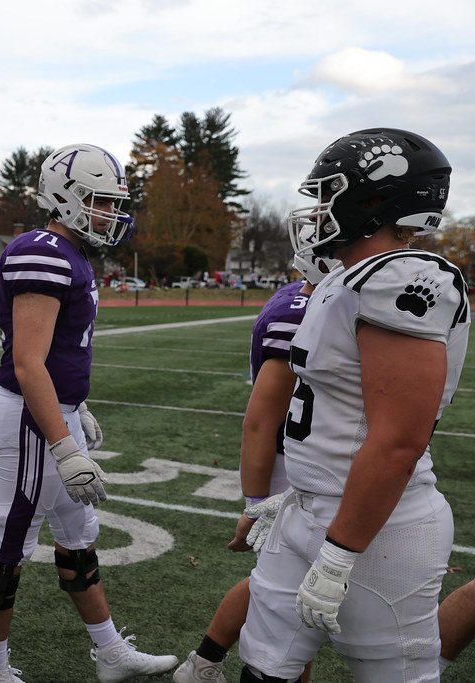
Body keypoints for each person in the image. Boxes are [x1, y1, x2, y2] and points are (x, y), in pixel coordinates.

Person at [238, 128, 468, 683]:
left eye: (328, 195)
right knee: (264, 669)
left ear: (373, 200)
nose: (316, 212)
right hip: (310, 506)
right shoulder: (343, 278)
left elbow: (397, 441)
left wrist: (341, 551)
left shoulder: (405, 278)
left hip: (376, 527)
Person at [0, 143, 177, 683]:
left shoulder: (69, 252)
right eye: (99, 201)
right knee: (7, 550)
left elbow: (56, 351)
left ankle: (109, 653)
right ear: (63, 198)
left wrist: (74, 407)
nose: (109, 214)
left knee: (80, 537)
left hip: (50, 416)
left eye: (113, 203)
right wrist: (63, 443)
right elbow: (28, 360)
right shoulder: (41, 251)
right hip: (31, 422)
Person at [172, 234, 340, 683]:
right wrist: (255, 502)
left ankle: (204, 662)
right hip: (302, 467)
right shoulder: (301, 310)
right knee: (289, 596)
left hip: (314, 463)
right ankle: (209, 664)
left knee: (279, 588)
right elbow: (262, 422)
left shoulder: (300, 296)